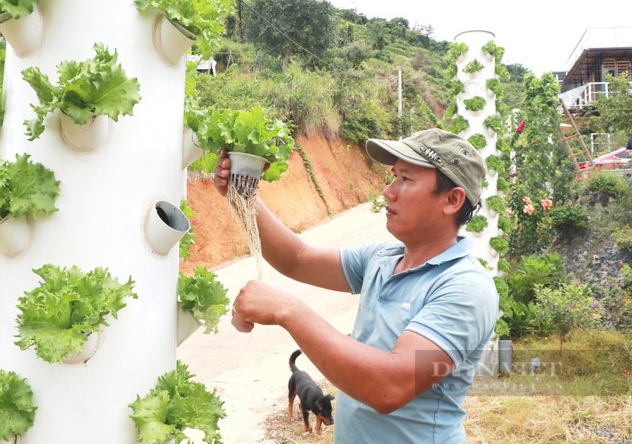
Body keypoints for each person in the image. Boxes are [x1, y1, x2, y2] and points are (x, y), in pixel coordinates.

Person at [214, 128, 499, 443]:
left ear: (452, 199)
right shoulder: (382, 258)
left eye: (406, 179)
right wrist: (243, 193)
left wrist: (288, 310)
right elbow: (297, 258)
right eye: (393, 177)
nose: (388, 192)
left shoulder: (465, 287)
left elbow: (389, 387)